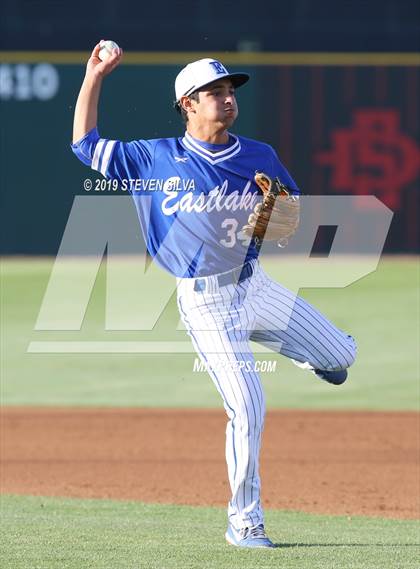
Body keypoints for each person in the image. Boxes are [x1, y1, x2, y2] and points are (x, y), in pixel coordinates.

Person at [71, 43, 356, 549]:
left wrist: (276, 217)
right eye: (215, 92)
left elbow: (289, 221)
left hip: (255, 286)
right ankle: (244, 523)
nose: (227, 99)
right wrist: (94, 76)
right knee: (248, 405)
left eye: (230, 91)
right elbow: (84, 145)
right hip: (207, 304)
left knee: (342, 358)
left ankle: (316, 358)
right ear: (188, 104)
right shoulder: (153, 157)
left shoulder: (259, 155)